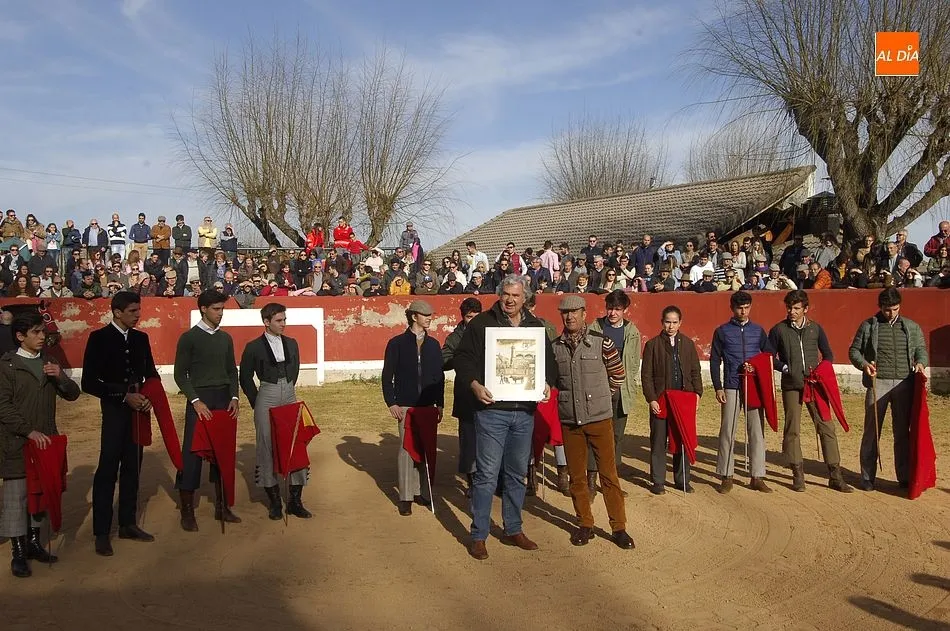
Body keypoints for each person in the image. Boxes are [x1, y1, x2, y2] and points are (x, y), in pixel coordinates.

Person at [453, 275, 557, 560]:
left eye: (516, 295)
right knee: (486, 475)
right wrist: (474, 384)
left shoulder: (535, 326)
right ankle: (479, 535)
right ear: (499, 295)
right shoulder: (481, 324)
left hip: (524, 413)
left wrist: (547, 383)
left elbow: (549, 363)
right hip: (491, 412)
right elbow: (462, 359)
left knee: (516, 474)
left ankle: (513, 528)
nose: (510, 300)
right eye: (506, 294)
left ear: (525, 298)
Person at [0, 311, 81, 577]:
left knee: (40, 493)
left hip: (45, 439)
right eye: (35, 332)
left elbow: (73, 395)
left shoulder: (49, 361)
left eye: (43, 331)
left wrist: (61, 377)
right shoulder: (7, 365)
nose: (42, 336)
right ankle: (18, 552)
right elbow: (3, 407)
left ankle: (34, 543)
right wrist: (28, 431)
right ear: (20, 336)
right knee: (16, 498)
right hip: (16, 441)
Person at [552, 294, 634, 549]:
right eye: (566, 313)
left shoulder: (602, 341)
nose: (570, 317)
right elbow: (552, 381)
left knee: (608, 475)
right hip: (570, 420)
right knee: (577, 476)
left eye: (575, 312)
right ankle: (584, 524)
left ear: (584, 314)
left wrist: (602, 397)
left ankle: (619, 528)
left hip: (599, 418)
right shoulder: (554, 347)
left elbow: (618, 374)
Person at [81, 292, 160, 556]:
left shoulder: (141, 338)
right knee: (108, 468)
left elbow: (151, 374)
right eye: (132, 311)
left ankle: (127, 523)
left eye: (139, 310)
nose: (138, 315)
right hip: (115, 410)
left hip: (139, 411)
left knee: (132, 466)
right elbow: (89, 383)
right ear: (117, 312)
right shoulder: (99, 338)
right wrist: (124, 395)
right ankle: (102, 532)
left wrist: (148, 397)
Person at [768, 290, 852, 493]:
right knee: (792, 428)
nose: (792, 311)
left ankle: (835, 475)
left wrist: (821, 371)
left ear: (805, 309)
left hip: (814, 384)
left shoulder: (815, 329)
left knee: (826, 426)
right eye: (789, 308)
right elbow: (769, 356)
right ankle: (797, 474)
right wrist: (784, 367)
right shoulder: (778, 330)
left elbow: (828, 355)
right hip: (791, 384)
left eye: (796, 308)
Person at [848, 288, 928, 491]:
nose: (891, 313)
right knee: (872, 431)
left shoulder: (910, 326)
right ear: (880, 307)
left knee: (902, 432)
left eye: (894, 309)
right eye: (886, 309)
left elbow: (921, 349)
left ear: (899, 306)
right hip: (878, 383)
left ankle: (904, 476)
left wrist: (920, 362)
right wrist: (864, 364)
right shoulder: (868, 325)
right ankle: (867, 477)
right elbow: (854, 351)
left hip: (904, 383)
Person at [173, 290, 240, 531]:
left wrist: (234, 396)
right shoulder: (189, 338)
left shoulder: (225, 339)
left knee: (222, 452)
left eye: (222, 309)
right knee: (192, 453)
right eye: (216, 309)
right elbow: (180, 374)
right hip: (199, 400)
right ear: (203, 309)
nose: (220, 314)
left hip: (223, 399)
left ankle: (222, 507)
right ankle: (187, 511)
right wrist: (195, 400)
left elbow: (232, 371)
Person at [239, 303, 311, 521]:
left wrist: (288, 389)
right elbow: (245, 377)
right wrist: (257, 401)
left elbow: (295, 369)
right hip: (266, 394)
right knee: (266, 446)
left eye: (284, 320)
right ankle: (274, 503)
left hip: (289, 393)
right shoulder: (253, 347)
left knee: (295, 444)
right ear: (266, 322)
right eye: (279, 320)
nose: (283, 324)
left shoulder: (292, 343)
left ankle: (295, 501)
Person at [381, 300, 445, 516]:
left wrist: (440, 403)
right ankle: (406, 496)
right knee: (407, 450)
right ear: (414, 316)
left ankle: (420, 492)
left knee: (425, 448)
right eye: (425, 315)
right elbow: (387, 376)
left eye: (430, 315)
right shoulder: (397, 343)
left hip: (427, 406)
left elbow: (439, 377)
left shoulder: (433, 345)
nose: (429, 318)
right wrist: (391, 402)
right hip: (406, 405)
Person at [710, 291, 774, 494]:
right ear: (732, 308)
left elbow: (768, 355)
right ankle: (726, 475)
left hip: (753, 385)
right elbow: (714, 360)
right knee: (727, 430)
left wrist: (756, 366)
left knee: (756, 430)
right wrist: (718, 386)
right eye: (739, 308)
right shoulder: (722, 331)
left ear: (750, 307)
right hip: (731, 385)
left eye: (746, 307)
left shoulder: (758, 331)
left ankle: (758, 475)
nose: (743, 311)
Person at [641, 305, 703, 494]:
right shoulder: (652, 345)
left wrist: (697, 394)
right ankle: (658, 481)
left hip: (683, 399)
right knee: (659, 440)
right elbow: (646, 376)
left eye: (674, 322)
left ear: (680, 323)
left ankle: (682, 480)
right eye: (668, 322)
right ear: (662, 322)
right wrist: (651, 399)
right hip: (661, 399)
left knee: (682, 439)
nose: (671, 326)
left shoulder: (688, 344)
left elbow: (695, 371)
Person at [587, 289, 640, 499]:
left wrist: (627, 383)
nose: (613, 313)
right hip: (598, 389)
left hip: (621, 390)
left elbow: (633, 363)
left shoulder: (632, 331)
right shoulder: (595, 328)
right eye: (610, 308)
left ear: (625, 309)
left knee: (616, 436)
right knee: (595, 434)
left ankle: (611, 482)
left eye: (617, 309)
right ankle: (591, 481)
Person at [441, 297, 483, 497]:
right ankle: (472, 480)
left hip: (489, 393)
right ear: (463, 317)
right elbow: (444, 359)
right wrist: (461, 359)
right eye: (469, 317)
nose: (473, 320)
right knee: (469, 440)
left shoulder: (490, 331)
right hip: (466, 394)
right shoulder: (456, 337)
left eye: (476, 316)